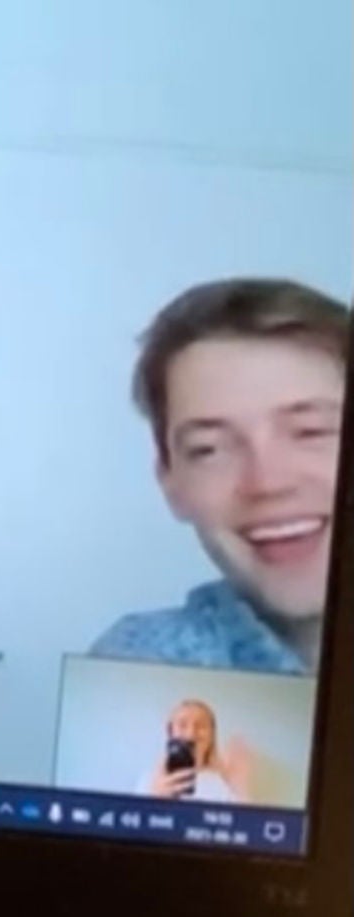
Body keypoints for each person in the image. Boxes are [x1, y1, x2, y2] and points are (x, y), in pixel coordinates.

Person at [92, 279, 346, 674]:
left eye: (310, 432)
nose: (267, 484)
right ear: (171, 484)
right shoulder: (146, 668)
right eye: (208, 450)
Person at [143, 699, 256, 803]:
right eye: (182, 725)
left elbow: (243, 817)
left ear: (211, 735)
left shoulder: (220, 783)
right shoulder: (151, 779)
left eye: (201, 726)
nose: (191, 733)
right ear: (171, 733)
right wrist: (154, 798)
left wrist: (239, 786)